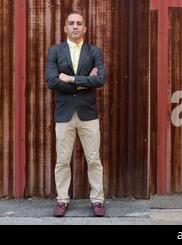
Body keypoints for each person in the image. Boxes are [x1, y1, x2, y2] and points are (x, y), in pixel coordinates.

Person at [45, 11, 106, 217]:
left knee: (93, 159)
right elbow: (51, 81)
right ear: (65, 28)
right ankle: (62, 199)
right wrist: (84, 82)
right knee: (62, 160)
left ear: (85, 28)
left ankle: (97, 200)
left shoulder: (94, 51)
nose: (75, 26)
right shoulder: (54, 51)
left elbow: (100, 80)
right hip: (64, 114)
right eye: (71, 23)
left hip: (88, 114)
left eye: (79, 23)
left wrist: (70, 80)